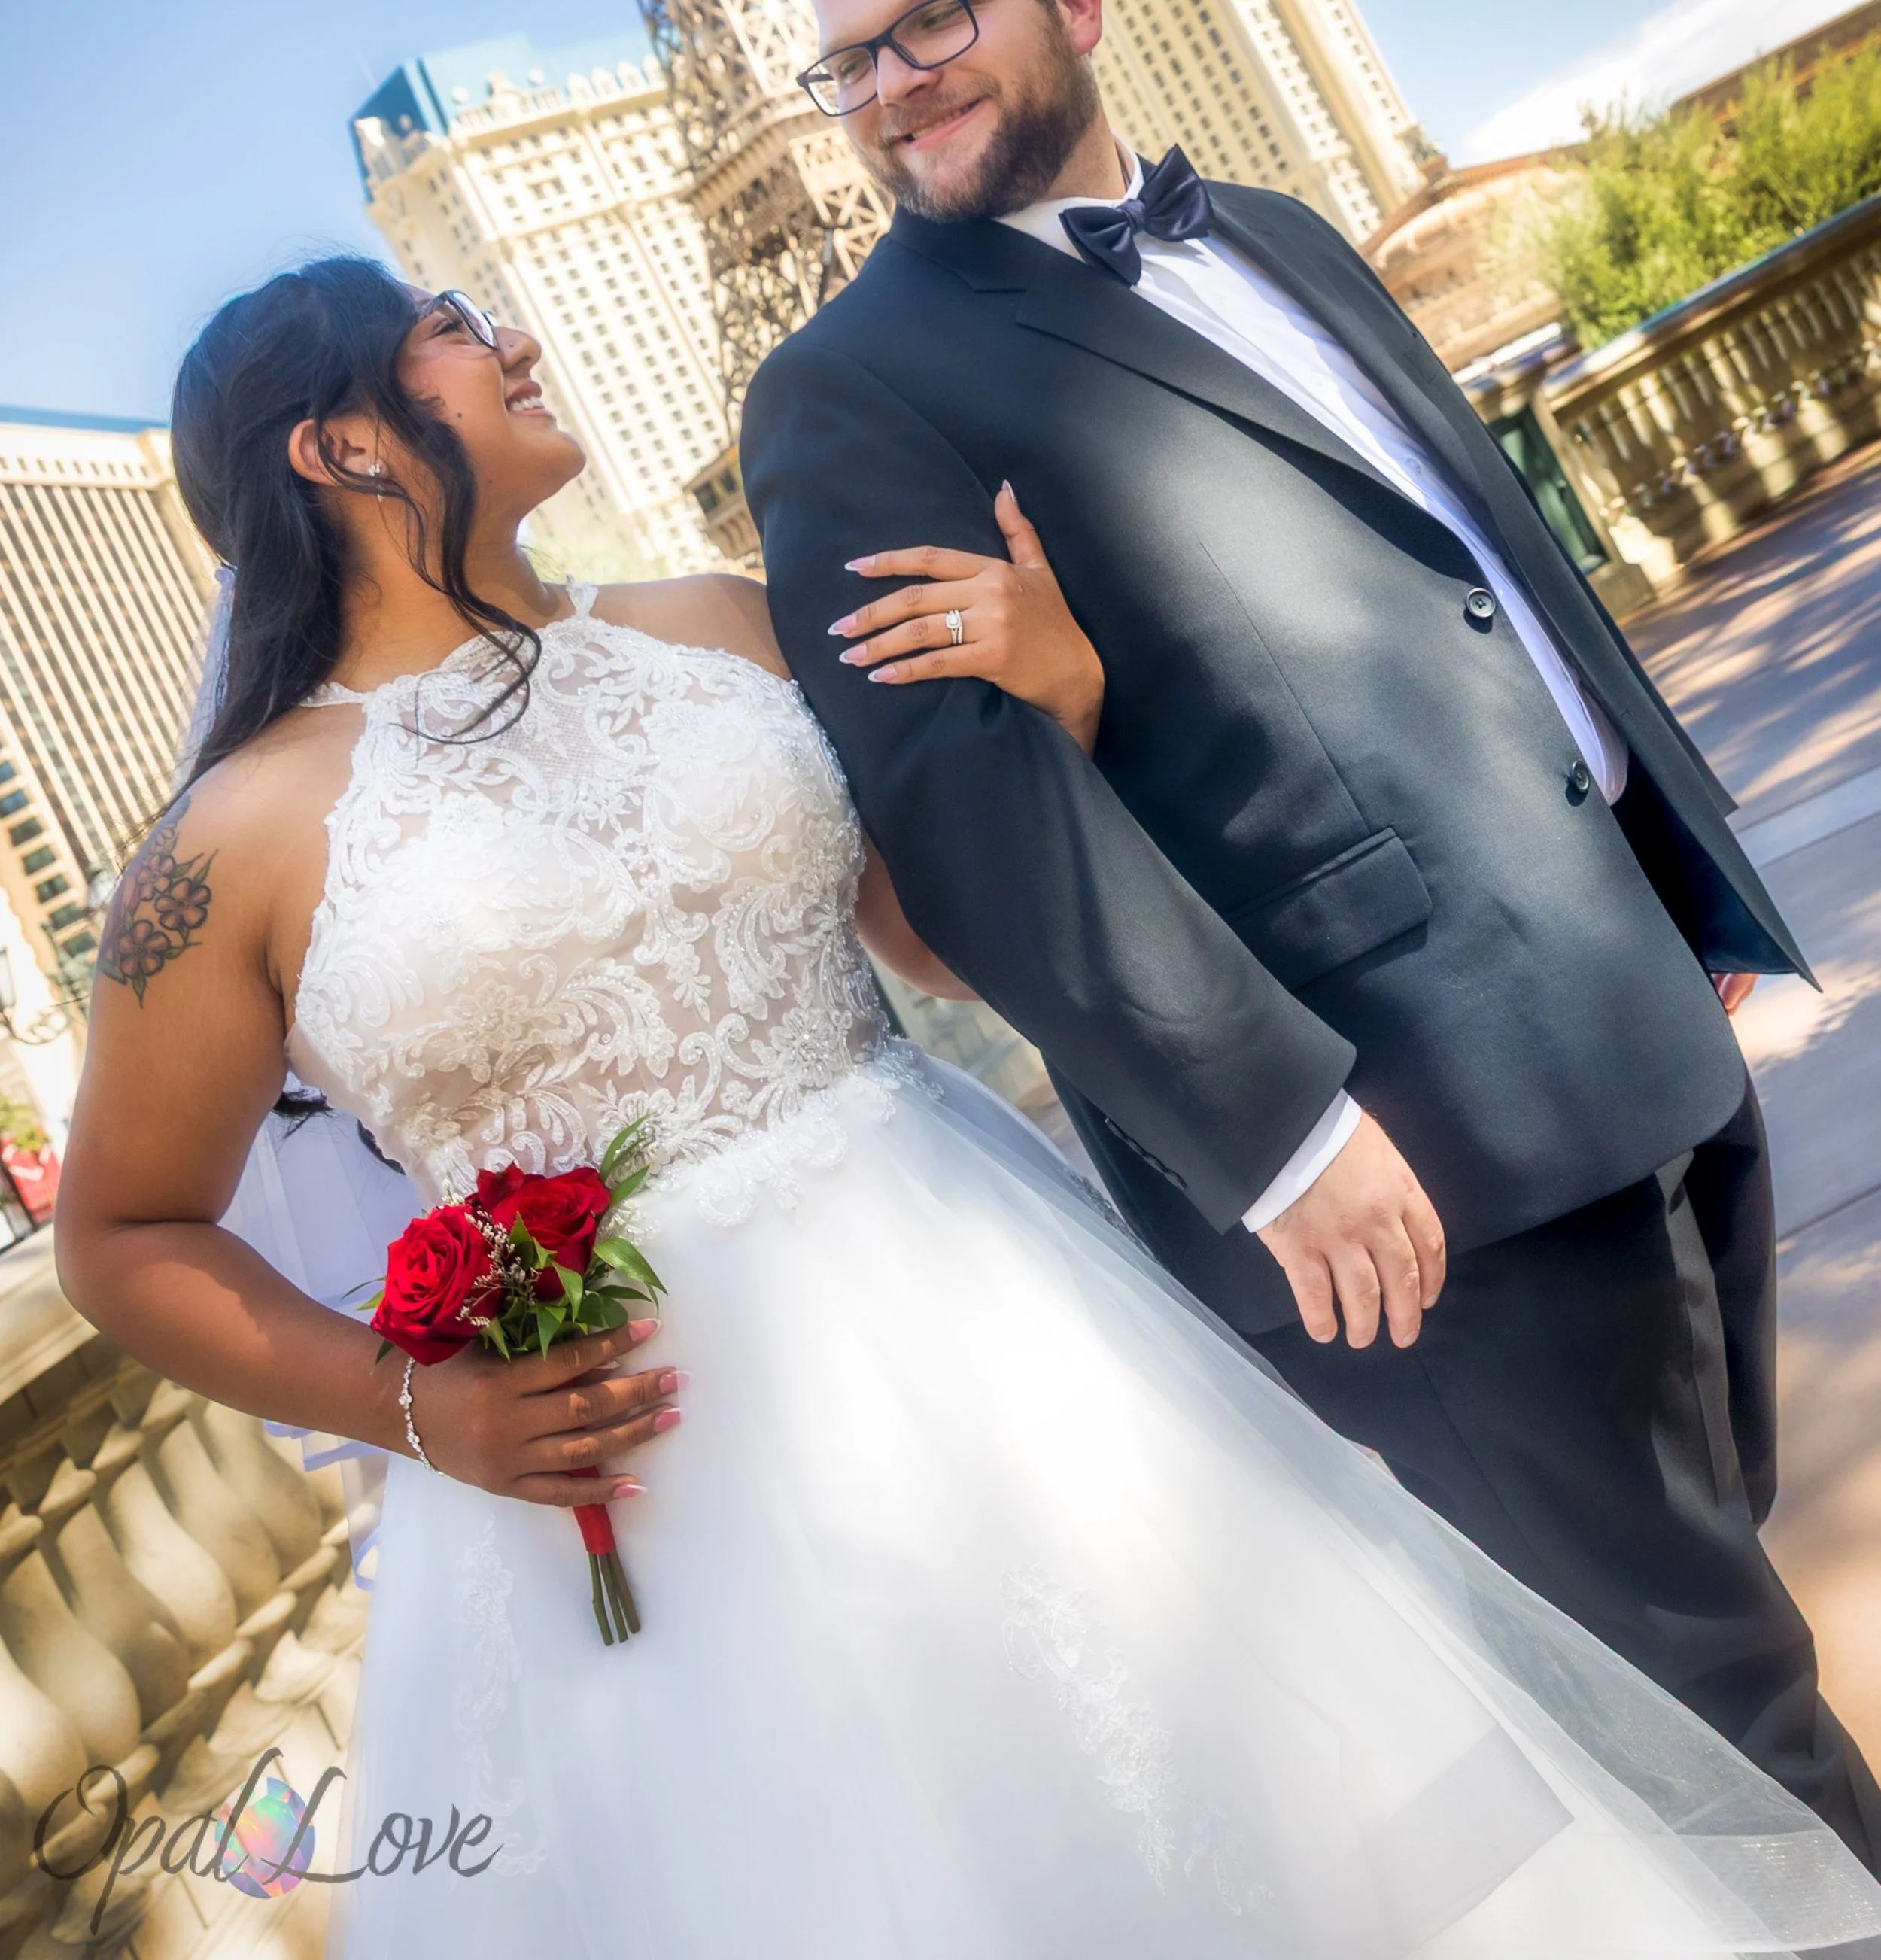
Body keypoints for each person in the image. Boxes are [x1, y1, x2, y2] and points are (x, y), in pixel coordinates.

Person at [53, 258, 1881, 1957]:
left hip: (983, 1312)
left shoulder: (726, 628)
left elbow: (933, 943)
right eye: (453, 326)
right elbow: (121, 1234)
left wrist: (1058, 704)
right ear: (343, 442)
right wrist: (412, 1407)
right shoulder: (223, 850)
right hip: (643, 1469)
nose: (515, 340)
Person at [738, 0, 1881, 1870]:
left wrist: (1673, 888)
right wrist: (1271, 1130)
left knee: (1721, 1627)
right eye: (851, 59)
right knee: (1716, 1719)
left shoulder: (1264, 232)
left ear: (1072, 1)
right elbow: (970, 815)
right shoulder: (842, 391)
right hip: (1396, 1163)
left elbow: (1476, 570)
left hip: (1622, 1010)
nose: (896, 79)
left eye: (938, 18)